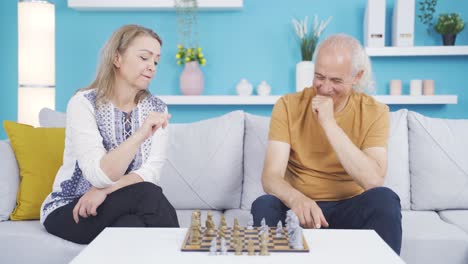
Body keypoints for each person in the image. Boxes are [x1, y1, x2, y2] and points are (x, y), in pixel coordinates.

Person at [251, 34, 402, 254]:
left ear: (357, 77)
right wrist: (296, 199)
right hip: (299, 207)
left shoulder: (375, 112)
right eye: (319, 77)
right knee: (264, 204)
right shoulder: (287, 106)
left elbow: (373, 179)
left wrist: (329, 124)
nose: (324, 88)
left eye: (336, 80)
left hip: (349, 207)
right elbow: (270, 177)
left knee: (385, 200)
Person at [40, 24, 179, 244]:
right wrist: (140, 135)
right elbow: (98, 175)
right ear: (117, 58)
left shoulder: (158, 109)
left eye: (156, 61)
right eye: (144, 57)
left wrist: (104, 192)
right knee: (148, 194)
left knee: (131, 227)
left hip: (115, 205)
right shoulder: (83, 103)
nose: (152, 66)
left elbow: (150, 172)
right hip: (73, 208)